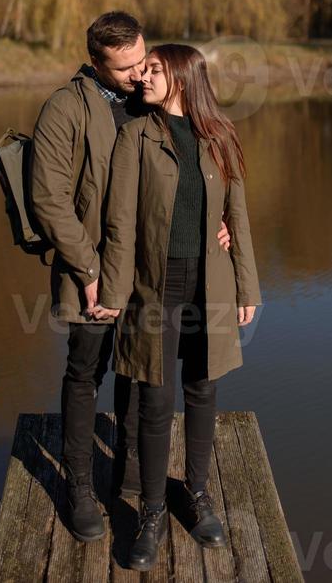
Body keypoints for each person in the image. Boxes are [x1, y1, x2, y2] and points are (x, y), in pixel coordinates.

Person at [29, 16, 232, 544]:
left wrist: (217, 221)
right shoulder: (65, 108)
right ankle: (77, 486)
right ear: (96, 62)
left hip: (155, 274)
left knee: (143, 378)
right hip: (91, 269)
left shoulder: (148, 99)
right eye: (124, 68)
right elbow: (48, 200)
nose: (138, 74)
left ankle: (136, 479)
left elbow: (189, 167)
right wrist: (90, 272)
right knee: (86, 373)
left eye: (143, 63)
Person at [91, 43, 262, 572]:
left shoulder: (219, 137)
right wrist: (115, 294)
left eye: (154, 70)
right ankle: (153, 511)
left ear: (183, 79)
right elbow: (119, 222)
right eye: (143, 70)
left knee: (203, 388)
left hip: (209, 284)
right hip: (153, 288)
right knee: (155, 396)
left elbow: (238, 215)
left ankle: (198, 494)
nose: (142, 76)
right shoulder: (134, 135)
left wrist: (247, 287)